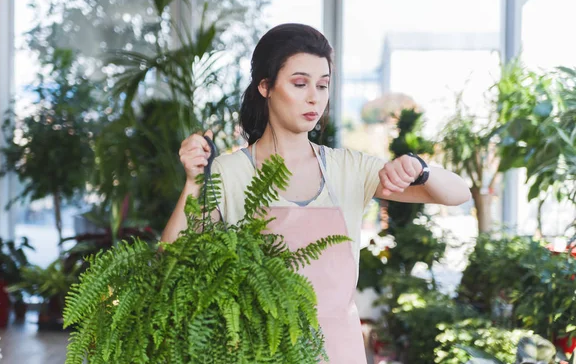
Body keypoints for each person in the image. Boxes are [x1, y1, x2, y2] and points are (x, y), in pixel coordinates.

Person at [161, 23, 471, 363]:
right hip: (263, 353)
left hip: (341, 350)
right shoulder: (230, 172)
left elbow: (457, 193)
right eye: (299, 83)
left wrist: (418, 168)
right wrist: (193, 182)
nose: (314, 97)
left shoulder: (348, 169)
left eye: (323, 85)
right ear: (265, 86)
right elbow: (172, 260)